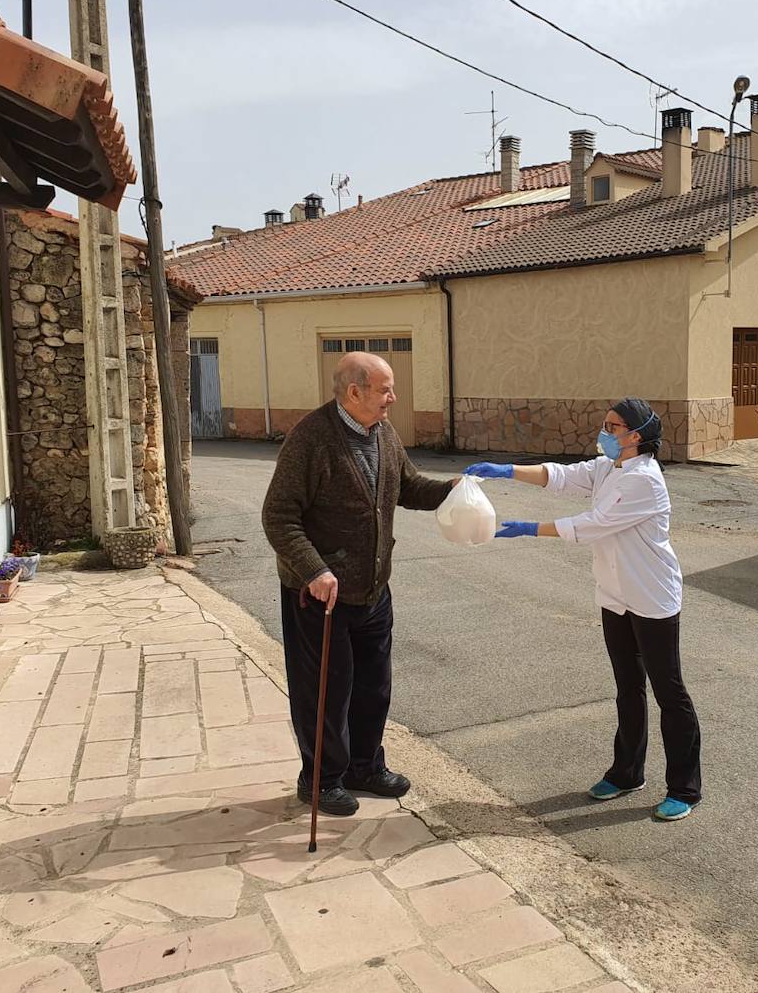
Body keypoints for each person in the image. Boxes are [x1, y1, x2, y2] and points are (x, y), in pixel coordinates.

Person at [465, 399, 703, 821]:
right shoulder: (608, 468)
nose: (605, 432)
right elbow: (561, 475)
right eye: (605, 424)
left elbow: (592, 523)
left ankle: (684, 787)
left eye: (613, 427)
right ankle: (627, 773)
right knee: (627, 687)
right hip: (615, 595)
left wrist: (528, 529)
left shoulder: (644, 481)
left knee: (670, 693)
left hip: (651, 598)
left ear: (636, 436)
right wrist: (506, 471)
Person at [262, 352, 454, 816]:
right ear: (355, 392)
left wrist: (457, 488)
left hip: (372, 589)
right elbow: (278, 515)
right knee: (325, 691)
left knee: (373, 686)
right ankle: (321, 779)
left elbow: (408, 488)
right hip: (320, 595)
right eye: (385, 389)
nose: (393, 398)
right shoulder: (311, 438)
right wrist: (314, 569)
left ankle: (364, 767)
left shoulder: (383, 433)